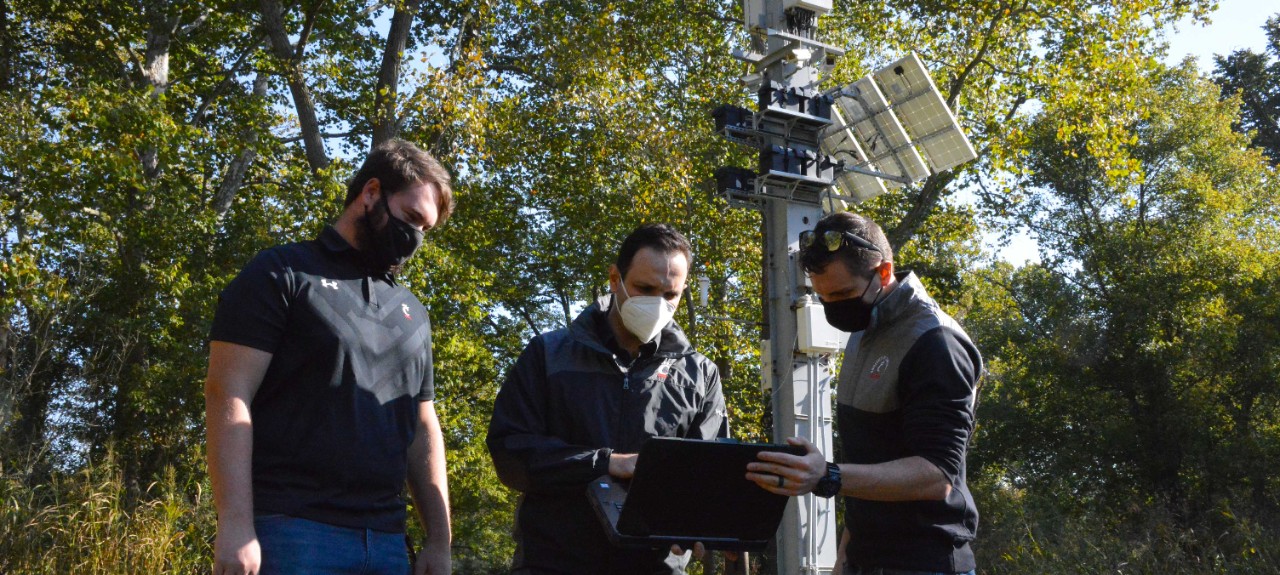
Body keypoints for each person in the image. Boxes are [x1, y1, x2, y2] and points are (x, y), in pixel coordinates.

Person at [205, 139, 455, 575]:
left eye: (426, 231)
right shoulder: (282, 273)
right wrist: (236, 523)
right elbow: (228, 391)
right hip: (291, 532)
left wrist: (439, 540)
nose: (415, 238)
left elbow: (421, 425)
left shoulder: (413, 314)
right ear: (371, 192)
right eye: (412, 218)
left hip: (389, 544)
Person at [744, 211, 982, 575]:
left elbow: (938, 475)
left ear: (884, 273)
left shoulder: (936, 342)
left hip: (925, 562)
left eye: (843, 294)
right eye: (823, 298)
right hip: (865, 559)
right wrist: (844, 557)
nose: (834, 309)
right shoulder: (862, 332)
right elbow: (868, 459)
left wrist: (829, 475)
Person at [486, 223, 730, 574]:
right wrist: (604, 463)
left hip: (656, 566)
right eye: (644, 289)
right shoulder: (548, 355)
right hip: (553, 562)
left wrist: (698, 525)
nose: (657, 305)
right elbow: (509, 453)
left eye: (670, 295)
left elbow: (709, 474)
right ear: (615, 279)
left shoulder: (700, 374)